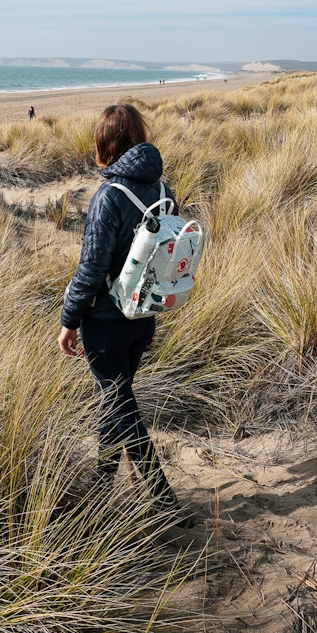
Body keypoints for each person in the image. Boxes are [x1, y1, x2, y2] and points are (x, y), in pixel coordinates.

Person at [58, 103, 196, 527]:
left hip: (104, 323)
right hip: (143, 317)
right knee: (114, 403)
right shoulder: (164, 190)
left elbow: (91, 269)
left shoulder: (108, 197)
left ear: (105, 143)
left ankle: (163, 501)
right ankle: (102, 488)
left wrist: (68, 320)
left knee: (120, 404)